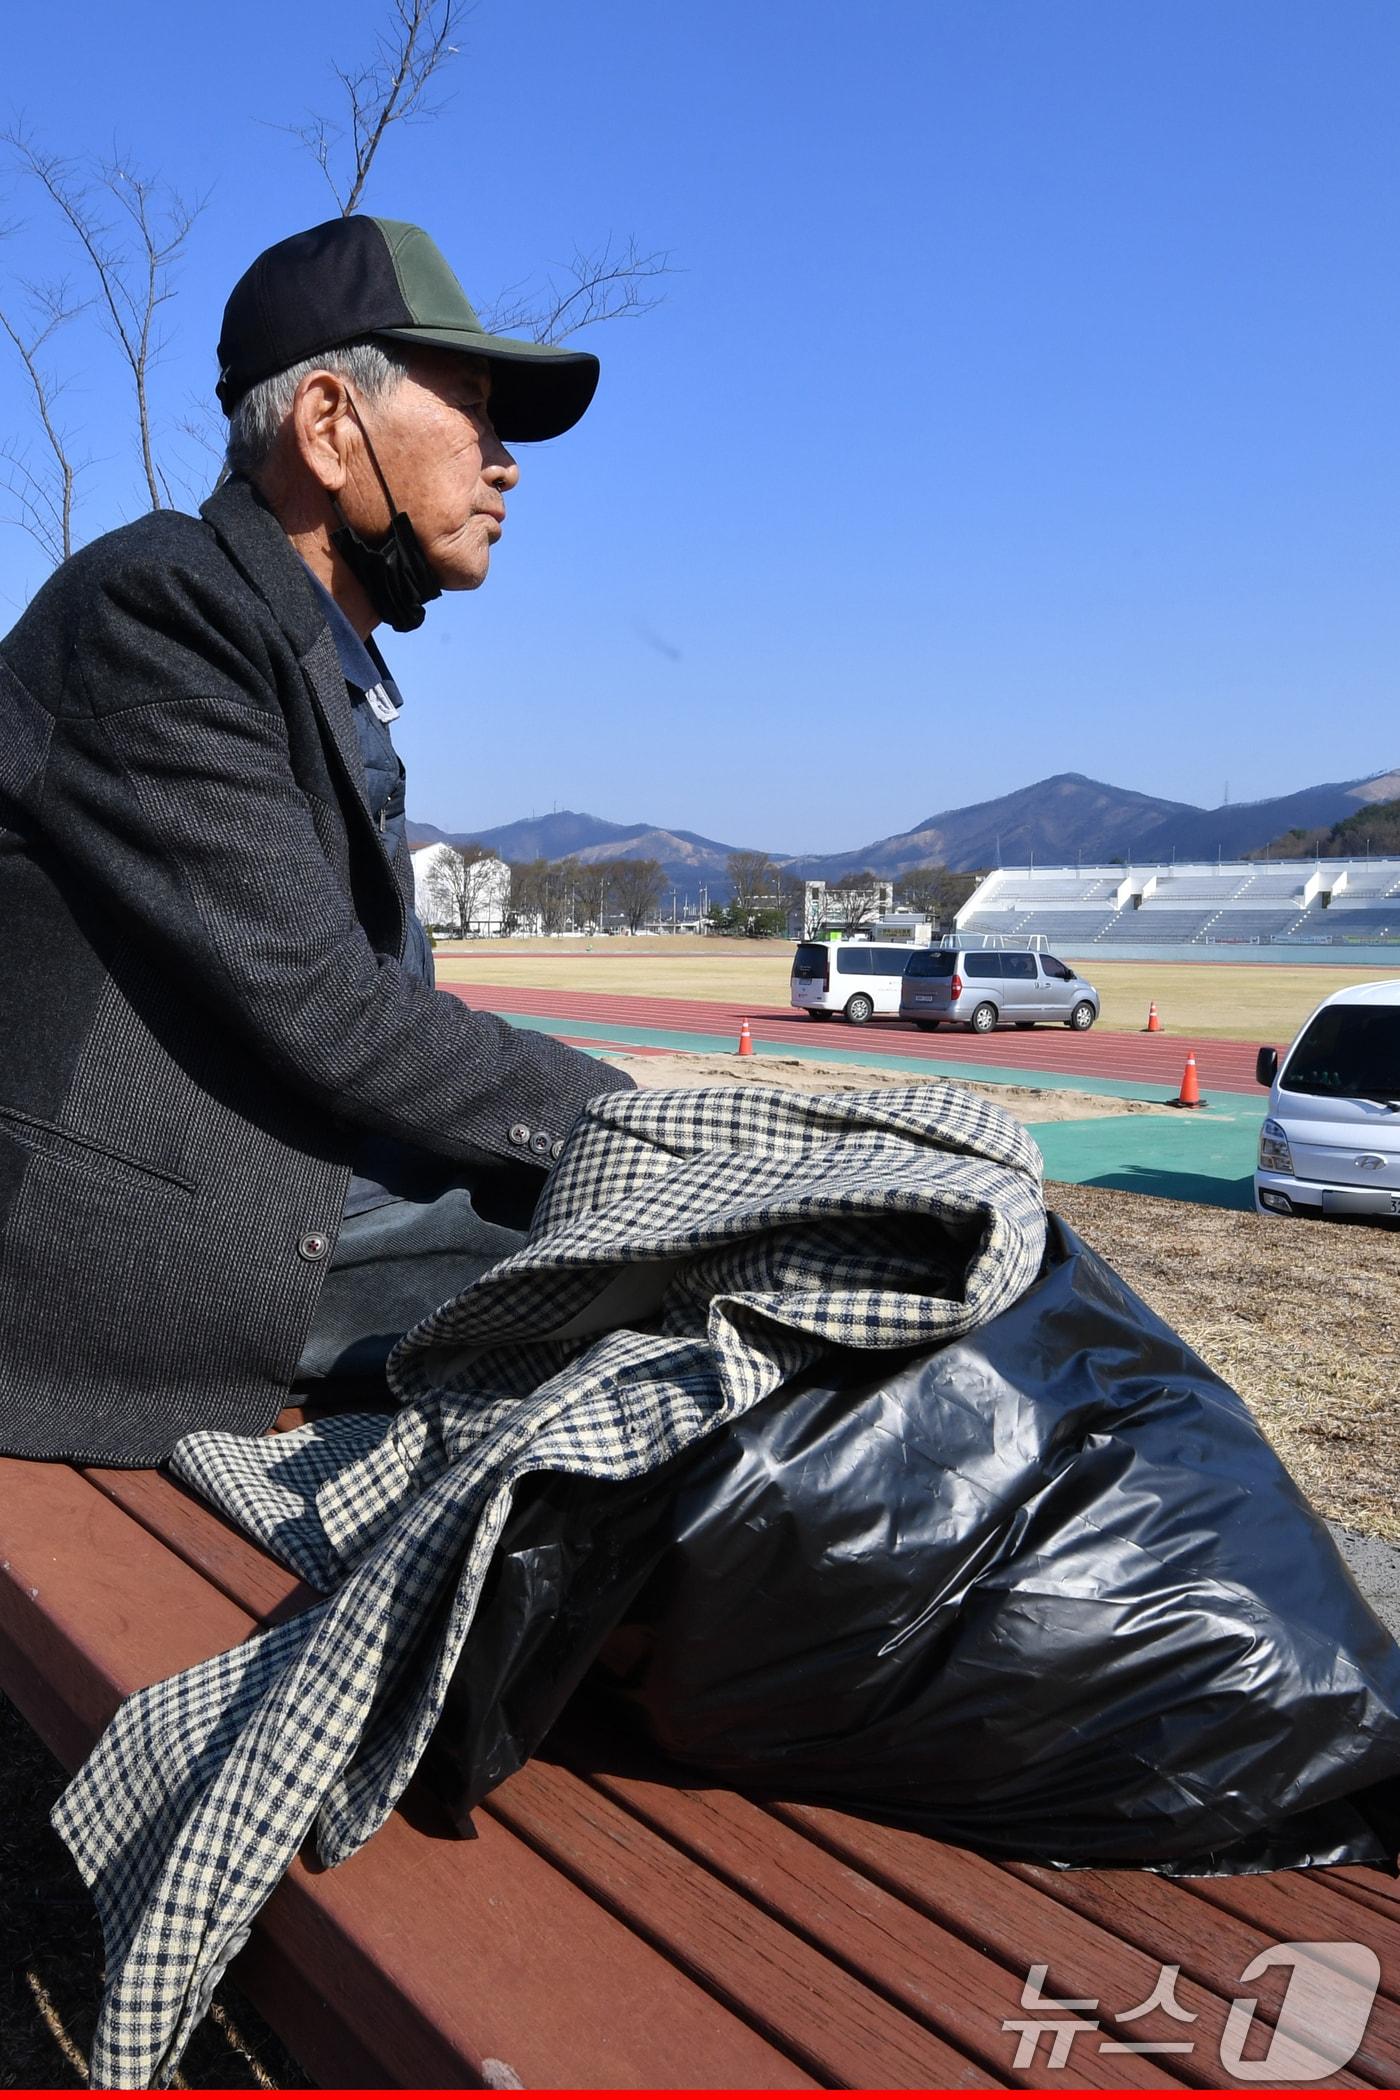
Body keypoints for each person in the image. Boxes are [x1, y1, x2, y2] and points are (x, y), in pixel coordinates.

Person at [0, 214, 633, 1465]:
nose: (505, 464)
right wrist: (625, 1122)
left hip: (287, 1185)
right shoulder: (162, 605)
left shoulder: (307, 649)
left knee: (693, 1239)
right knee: (684, 1262)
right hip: (134, 1253)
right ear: (332, 424)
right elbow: (325, 1005)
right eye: (477, 412)